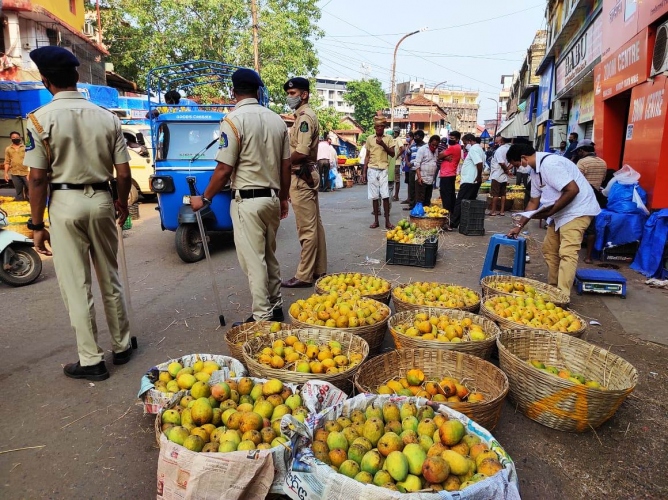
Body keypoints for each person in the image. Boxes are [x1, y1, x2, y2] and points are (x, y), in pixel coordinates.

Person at [24, 46, 133, 381]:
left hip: (65, 203)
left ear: (45, 80)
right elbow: (124, 173)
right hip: (102, 199)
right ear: (76, 76)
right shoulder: (107, 116)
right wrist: (123, 202)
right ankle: (123, 345)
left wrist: (36, 224)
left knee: (76, 284)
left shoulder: (38, 120)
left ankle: (91, 360)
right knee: (109, 277)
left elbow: (37, 178)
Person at [190, 68, 291, 324]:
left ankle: (262, 319)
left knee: (254, 262)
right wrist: (283, 198)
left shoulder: (233, 121)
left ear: (233, 92)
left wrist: (206, 198)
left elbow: (224, 168)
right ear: (258, 91)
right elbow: (286, 166)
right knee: (268, 255)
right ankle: (275, 305)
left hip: (247, 200)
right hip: (271, 198)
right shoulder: (277, 121)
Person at [505, 143, 601, 296]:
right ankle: (553, 288)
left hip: (577, 210)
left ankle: (562, 295)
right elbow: (533, 202)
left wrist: (550, 212)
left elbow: (572, 190)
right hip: (560, 212)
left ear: (523, 158)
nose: (518, 169)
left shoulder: (550, 164)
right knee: (550, 249)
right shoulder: (535, 173)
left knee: (567, 252)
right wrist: (519, 225)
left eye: (517, 165)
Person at [281, 77, 327, 288]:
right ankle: (318, 268)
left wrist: (280, 162)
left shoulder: (305, 118)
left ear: (304, 94)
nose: (289, 97)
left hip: (301, 175)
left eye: (293, 94)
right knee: (314, 225)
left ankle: (304, 275)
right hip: (305, 174)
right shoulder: (302, 117)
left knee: (306, 229)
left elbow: (301, 152)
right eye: (289, 94)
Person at [574, 139, 608, 264]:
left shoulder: (582, 162)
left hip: (582, 198)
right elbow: (602, 180)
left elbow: (576, 181)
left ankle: (572, 253)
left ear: (582, 150)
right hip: (595, 199)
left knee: (577, 226)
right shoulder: (603, 162)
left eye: (578, 152)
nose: (578, 154)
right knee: (591, 227)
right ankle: (588, 257)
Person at [362, 116, 396, 229]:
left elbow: (392, 154)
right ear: (374, 127)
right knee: (374, 197)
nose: (379, 128)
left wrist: (383, 145)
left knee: (385, 196)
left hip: (383, 170)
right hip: (372, 169)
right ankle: (376, 221)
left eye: (382, 126)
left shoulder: (389, 138)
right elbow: (367, 156)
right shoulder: (369, 139)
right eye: (377, 126)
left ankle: (387, 221)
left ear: (384, 127)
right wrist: (363, 172)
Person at [450, 133, 484, 228]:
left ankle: (453, 222)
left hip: (470, 181)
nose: (464, 146)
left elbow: (479, 163)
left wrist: (479, 176)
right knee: (468, 203)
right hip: (473, 180)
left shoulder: (473, 149)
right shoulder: (479, 149)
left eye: (465, 143)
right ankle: (464, 222)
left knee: (460, 202)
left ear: (470, 141)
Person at [438, 131, 461, 228]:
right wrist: (445, 158)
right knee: (451, 198)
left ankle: (447, 222)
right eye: (450, 138)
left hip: (447, 175)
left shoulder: (453, 147)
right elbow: (441, 156)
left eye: (453, 138)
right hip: (450, 175)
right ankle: (452, 220)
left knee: (447, 199)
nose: (450, 140)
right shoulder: (457, 147)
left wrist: (444, 157)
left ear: (457, 139)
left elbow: (439, 156)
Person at [488, 136, 511, 216]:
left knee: (495, 194)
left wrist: (506, 170)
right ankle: (502, 211)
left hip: (497, 174)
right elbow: (512, 162)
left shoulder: (499, 150)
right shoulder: (509, 149)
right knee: (503, 194)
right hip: (503, 176)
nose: (496, 139)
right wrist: (508, 169)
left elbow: (501, 163)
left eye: (497, 138)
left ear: (501, 141)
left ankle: (493, 211)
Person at [414, 135, 440, 207]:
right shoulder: (422, 149)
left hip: (430, 180)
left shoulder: (436, 150)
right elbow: (417, 164)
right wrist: (419, 177)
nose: (434, 147)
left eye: (436, 145)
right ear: (429, 143)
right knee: (420, 200)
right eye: (433, 145)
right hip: (422, 179)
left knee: (427, 200)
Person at [403, 130, 425, 211]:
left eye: (417, 137)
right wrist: (408, 162)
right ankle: (412, 205)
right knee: (412, 188)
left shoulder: (425, 147)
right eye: (415, 137)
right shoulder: (412, 146)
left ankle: (419, 205)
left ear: (422, 137)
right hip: (412, 170)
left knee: (419, 189)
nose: (415, 138)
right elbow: (407, 154)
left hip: (420, 170)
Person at [4, 131, 29, 200]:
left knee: (31, 190)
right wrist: (6, 173)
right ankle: (20, 205)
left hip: (26, 173)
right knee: (19, 192)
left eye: (17, 137)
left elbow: (31, 160)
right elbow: (7, 162)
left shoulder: (26, 147)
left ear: (20, 138)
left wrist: (30, 171)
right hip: (15, 173)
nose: (15, 138)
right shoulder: (8, 149)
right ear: (10, 139)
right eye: (13, 137)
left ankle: (31, 205)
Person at [390, 126, 403, 201]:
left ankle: (396, 195)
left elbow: (402, 149)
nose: (394, 133)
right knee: (393, 179)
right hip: (393, 163)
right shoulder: (394, 139)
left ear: (397, 132)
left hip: (396, 163)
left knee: (397, 180)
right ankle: (394, 195)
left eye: (395, 132)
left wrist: (397, 156)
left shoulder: (398, 140)